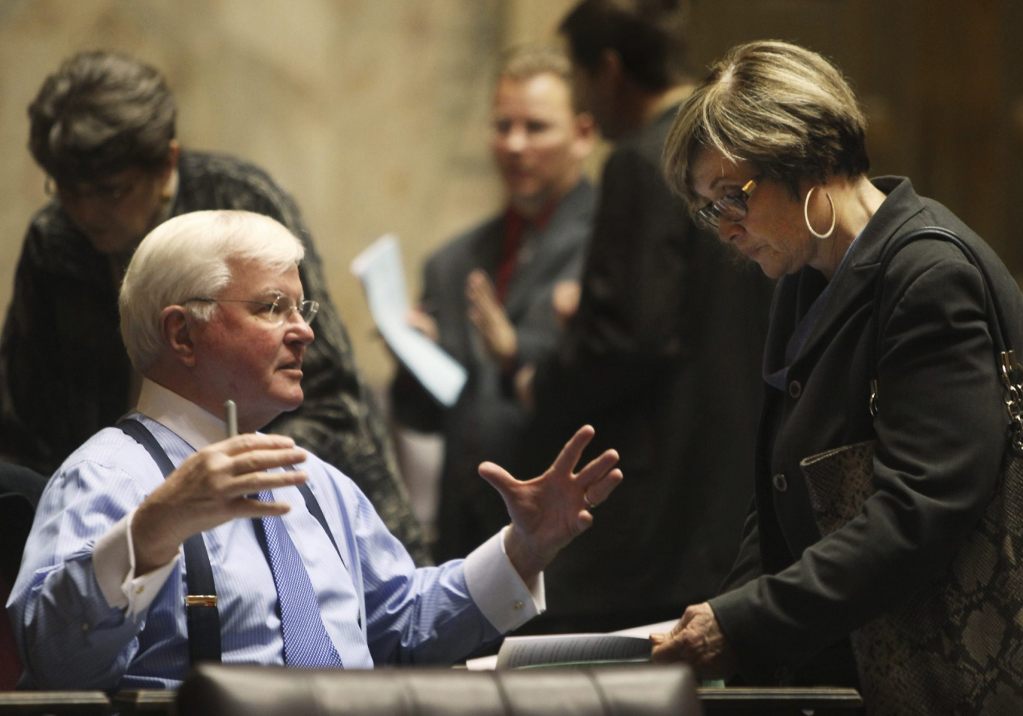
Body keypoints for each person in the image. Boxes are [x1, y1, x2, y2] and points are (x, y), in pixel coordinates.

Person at [6, 210, 623, 690]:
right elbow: (57, 665)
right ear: (182, 333)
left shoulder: (317, 482)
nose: (304, 331)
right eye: (272, 308)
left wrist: (524, 548)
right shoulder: (107, 476)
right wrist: (153, 530)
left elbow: (402, 627)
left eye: (302, 308)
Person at [651, 40, 1023, 714]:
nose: (725, 230)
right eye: (708, 210)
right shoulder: (805, 277)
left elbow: (921, 508)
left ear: (811, 159)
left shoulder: (929, 278)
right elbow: (780, 495)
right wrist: (726, 618)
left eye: (732, 198)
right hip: (851, 665)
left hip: (946, 677)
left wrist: (746, 622)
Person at [0, 50, 429, 564]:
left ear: (167, 163)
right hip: (122, 521)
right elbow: (27, 419)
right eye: (67, 191)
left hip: (299, 514)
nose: (86, 212)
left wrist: (207, 474)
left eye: (110, 191)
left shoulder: (238, 201)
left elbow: (332, 399)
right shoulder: (54, 238)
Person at [470, 0, 774, 633]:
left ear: (608, 71)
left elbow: (629, 335)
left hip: (657, 511)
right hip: (736, 476)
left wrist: (537, 379)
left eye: (580, 81)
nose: (584, 104)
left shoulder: (643, 158)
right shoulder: (734, 147)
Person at [390, 45, 597, 561]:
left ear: (583, 135)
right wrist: (415, 358)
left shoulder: (610, 247)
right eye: (503, 126)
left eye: (536, 127)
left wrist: (514, 352)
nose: (514, 144)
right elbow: (423, 418)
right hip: (467, 539)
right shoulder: (452, 263)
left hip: (574, 539)